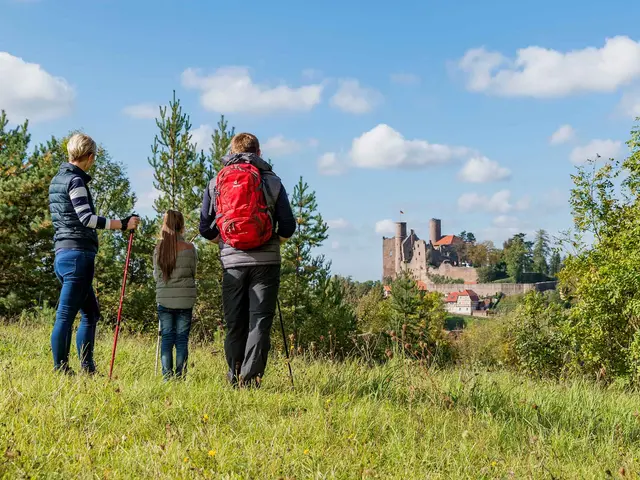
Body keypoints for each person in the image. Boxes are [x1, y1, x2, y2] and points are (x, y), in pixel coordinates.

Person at [199, 132, 296, 388]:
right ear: (259, 153)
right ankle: (251, 380)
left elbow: (205, 228)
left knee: (234, 321)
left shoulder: (216, 182)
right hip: (266, 263)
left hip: (232, 263)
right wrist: (275, 241)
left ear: (231, 151)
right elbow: (288, 226)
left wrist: (225, 242)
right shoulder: (272, 182)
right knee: (260, 321)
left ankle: (233, 375)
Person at [48, 132, 140, 374]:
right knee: (66, 315)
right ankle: (61, 369)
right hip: (78, 255)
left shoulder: (57, 179)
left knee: (90, 312)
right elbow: (86, 219)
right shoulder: (75, 181)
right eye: (94, 157)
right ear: (88, 156)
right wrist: (122, 223)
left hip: (62, 254)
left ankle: (87, 369)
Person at [153, 210, 197, 380]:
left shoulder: (159, 248)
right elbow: (193, 272)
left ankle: (167, 378)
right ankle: (180, 378)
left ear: (165, 225)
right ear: (182, 226)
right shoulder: (190, 248)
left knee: (167, 338)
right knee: (181, 340)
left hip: (164, 299)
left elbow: (157, 276)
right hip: (185, 300)